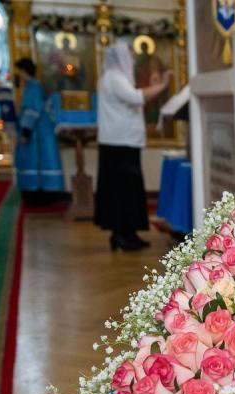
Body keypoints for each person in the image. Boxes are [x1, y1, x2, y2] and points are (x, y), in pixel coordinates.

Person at [95, 42, 171, 251]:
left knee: (128, 189)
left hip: (120, 142)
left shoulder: (113, 78)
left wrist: (154, 85)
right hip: (120, 144)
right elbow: (137, 97)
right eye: (129, 56)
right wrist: (163, 85)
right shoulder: (115, 78)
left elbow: (136, 101)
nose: (133, 60)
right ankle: (121, 234)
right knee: (123, 190)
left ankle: (128, 233)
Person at [13, 58, 65, 205]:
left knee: (36, 161)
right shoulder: (34, 87)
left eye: (20, 71)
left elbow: (32, 111)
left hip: (36, 132)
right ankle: (39, 193)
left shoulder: (33, 88)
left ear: (24, 71)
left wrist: (26, 132)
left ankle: (38, 195)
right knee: (42, 161)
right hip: (40, 130)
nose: (19, 75)